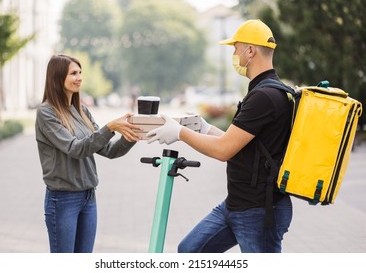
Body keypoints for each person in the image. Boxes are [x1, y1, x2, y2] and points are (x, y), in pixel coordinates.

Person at [147, 19, 293, 253]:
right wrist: (204, 128)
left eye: (236, 48)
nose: (234, 55)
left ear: (251, 50)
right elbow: (240, 143)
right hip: (236, 204)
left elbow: (223, 151)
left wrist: (180, 133)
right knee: (189, 251)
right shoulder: (266, 90)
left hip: (259, 210)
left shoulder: (264, 96)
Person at [35, 54, 141, 253]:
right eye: (73, 73)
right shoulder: (46, 113)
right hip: (63, 200)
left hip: (88, 198)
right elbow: (76, 148)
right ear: (57, 77)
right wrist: (110, 127)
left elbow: (108, 150)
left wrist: (130, 135)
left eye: (80, 73)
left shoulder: (81, 111)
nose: (79, 78)